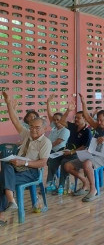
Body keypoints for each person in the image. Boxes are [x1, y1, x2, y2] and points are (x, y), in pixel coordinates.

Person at [0, 92, 52, 225]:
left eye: (37, 128)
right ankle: (10, 202)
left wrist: (25, 162)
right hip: (17, 168)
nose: (33, 130)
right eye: (31, 127)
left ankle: (4, 213)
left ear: (44, 128)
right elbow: (15, 120)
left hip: (31, 172)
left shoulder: (45, 142)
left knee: (2, 179)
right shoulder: (27, 135)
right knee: (5, 166)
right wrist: (8, 103)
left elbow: (43, 163)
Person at [64, 94, 104, 202]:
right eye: (98, 120)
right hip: (91, 155)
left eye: (101, 120)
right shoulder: (97, 127)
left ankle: (93, 189)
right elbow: (87, 117)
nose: (99, 122)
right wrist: (84, 103)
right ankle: (85, 182)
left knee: (87, 163)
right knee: (67, 166)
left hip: (103, 158)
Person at [46, 101, 93, 192]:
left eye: (78, 118)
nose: (76, 120)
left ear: (85, 119)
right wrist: (68, 110)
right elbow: (62, 121)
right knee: (52, 160)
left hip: (78, 154)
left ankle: (62, 185)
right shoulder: (73, 127)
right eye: (75, 118)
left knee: (64, 162)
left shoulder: (87, 131)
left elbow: (84, 147)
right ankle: (50, 183)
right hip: (67, 151)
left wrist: (71, 152)